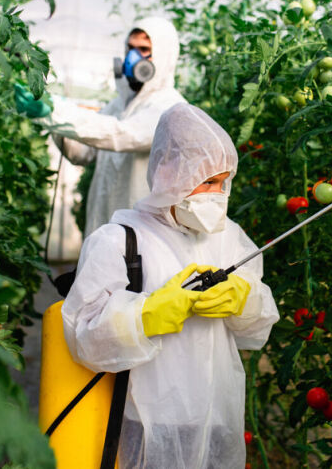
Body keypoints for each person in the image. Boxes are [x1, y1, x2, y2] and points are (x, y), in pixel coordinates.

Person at [61, 103, 279, 468]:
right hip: (148, 420)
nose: (217, 193)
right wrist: (143, 316)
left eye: (224, 181)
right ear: (167, 172)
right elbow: (84, 338)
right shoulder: (120, 240)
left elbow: (258, 331)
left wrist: (246, 300)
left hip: (216, 415)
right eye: (207, 181)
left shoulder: (230, 238)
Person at [16, 17, 186, 237]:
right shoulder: (119, 105)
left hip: (143, 235)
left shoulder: (171, 108)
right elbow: (83, 153)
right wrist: (54, 121)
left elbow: (120, 134)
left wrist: (56, 111)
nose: (133, 58)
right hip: (106, 224)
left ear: (164, 57)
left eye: (144, 49)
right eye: (130, 48)